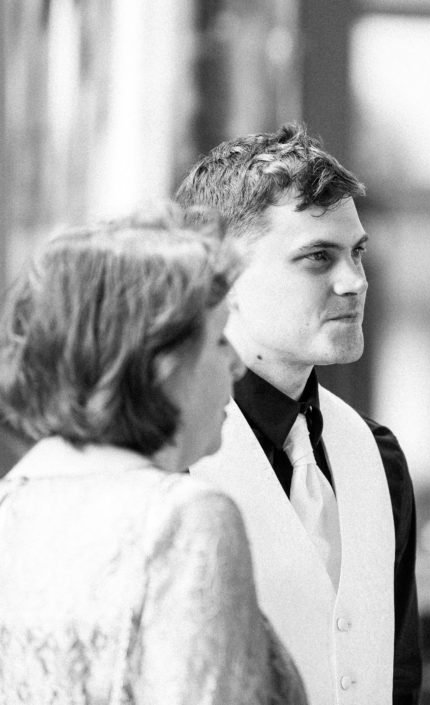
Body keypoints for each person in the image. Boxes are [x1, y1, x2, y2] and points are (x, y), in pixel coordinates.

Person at [0, 204, 309, 705]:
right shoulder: (183, 519)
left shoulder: (12, 507)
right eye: (218, 340)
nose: (235, 365)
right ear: (159, 361)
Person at [176, 123, 422, 705]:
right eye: (317, 257)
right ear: (222, 276)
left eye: (357, 252)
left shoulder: (378, 457)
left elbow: (399, 679)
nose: (354, 282)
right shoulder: (165, 457)